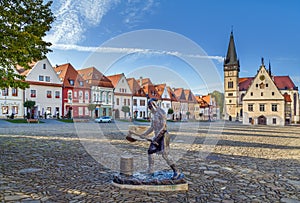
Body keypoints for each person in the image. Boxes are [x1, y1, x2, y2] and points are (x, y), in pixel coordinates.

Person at [130, 98, 180, 179]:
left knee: (165, 155)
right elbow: (152, 127)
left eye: (150, 106)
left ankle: (176, 171)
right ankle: (151, 170)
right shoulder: (153, 115)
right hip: (156, 136)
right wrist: (144, 134)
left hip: (163, 136)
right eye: (148, 107)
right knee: (150, 151)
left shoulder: (162, 113)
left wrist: (156, 138)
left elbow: (163, 128)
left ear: (154, 105)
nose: (149, 109)